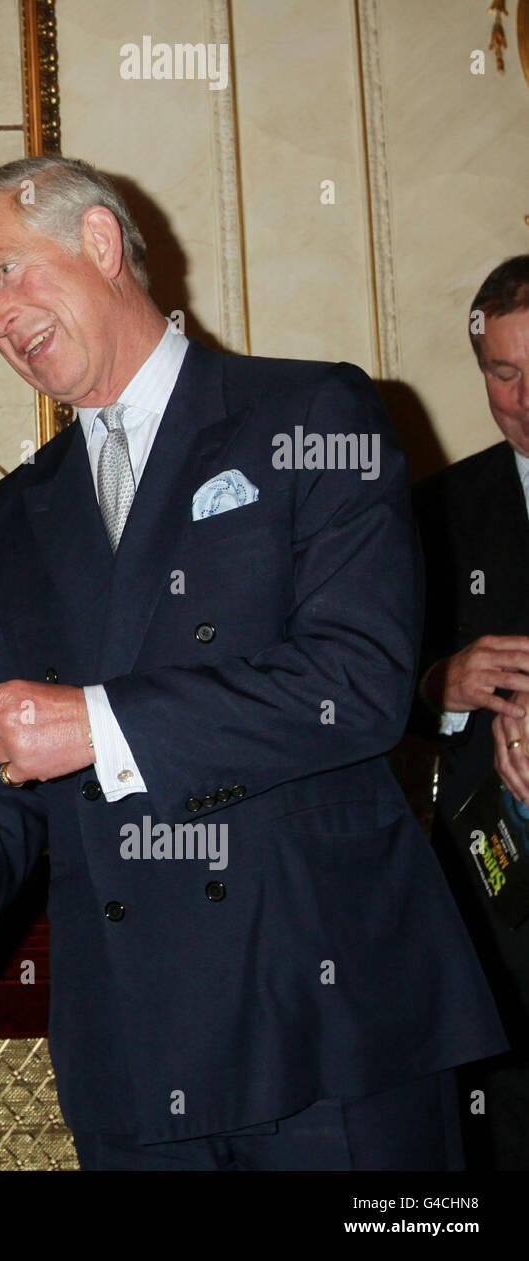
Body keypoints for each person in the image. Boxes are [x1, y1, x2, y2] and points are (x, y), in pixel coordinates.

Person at [0, 154, 508, 1170]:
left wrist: (100, 722)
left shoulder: (311, 414)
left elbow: (356, 686)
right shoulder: (20, 513)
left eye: (11, 272)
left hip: (322, 1015)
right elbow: (3, 760)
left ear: (103, 245)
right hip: (130, 1041)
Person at [412, 254, 529, 1170]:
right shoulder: (434, 516)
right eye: (503, 372)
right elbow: (358, 697)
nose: (525, 397)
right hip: (498, 905)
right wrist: (437, 684)